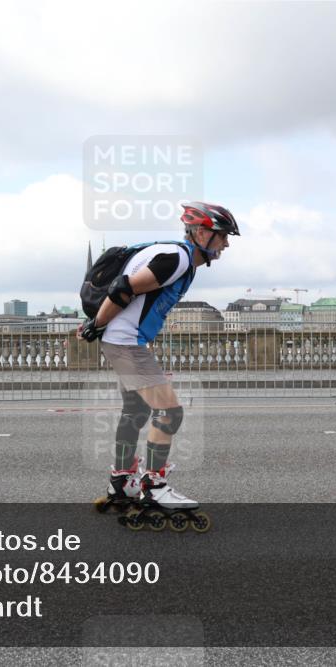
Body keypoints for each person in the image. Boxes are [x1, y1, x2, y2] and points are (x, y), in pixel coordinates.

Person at [79, 202, 239, 531]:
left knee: (136, 409)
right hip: (125, 342)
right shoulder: (177, 259)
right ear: (203, 233)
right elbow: (123, 289)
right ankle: (154, 486)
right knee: (170, 413)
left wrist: (99, 325)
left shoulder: (177, 256)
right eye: (223, 236)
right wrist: (97, 324)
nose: (226, 244)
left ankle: (122, 481)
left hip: (124, 340)